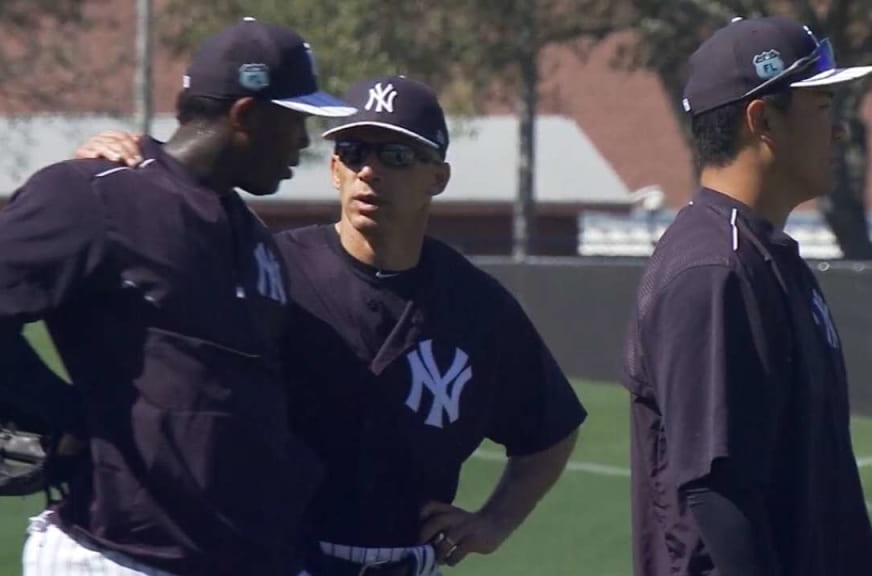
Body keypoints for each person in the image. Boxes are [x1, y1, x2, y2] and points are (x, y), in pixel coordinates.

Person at [73, 75, 587, 576]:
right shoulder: (268, 267)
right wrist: (129, 160)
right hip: (276, 557)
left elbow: (551, 429)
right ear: (335, 169)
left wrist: (496, 520)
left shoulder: (477, 305)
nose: (370, 172)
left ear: (438, 178)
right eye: (355, 152)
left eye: (397, 156)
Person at [0, 17, 354, 576]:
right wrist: (70, 415)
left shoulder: (251, 236)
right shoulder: (98, 192)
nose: (303, 141)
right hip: (114, 556)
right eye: (296, 121)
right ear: (246, 116)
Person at [622, 16, 872, 576]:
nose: (840, 132)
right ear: (763, 120)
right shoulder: (713, 269)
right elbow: (716, 491)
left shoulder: (764, 256)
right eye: (822, 107)